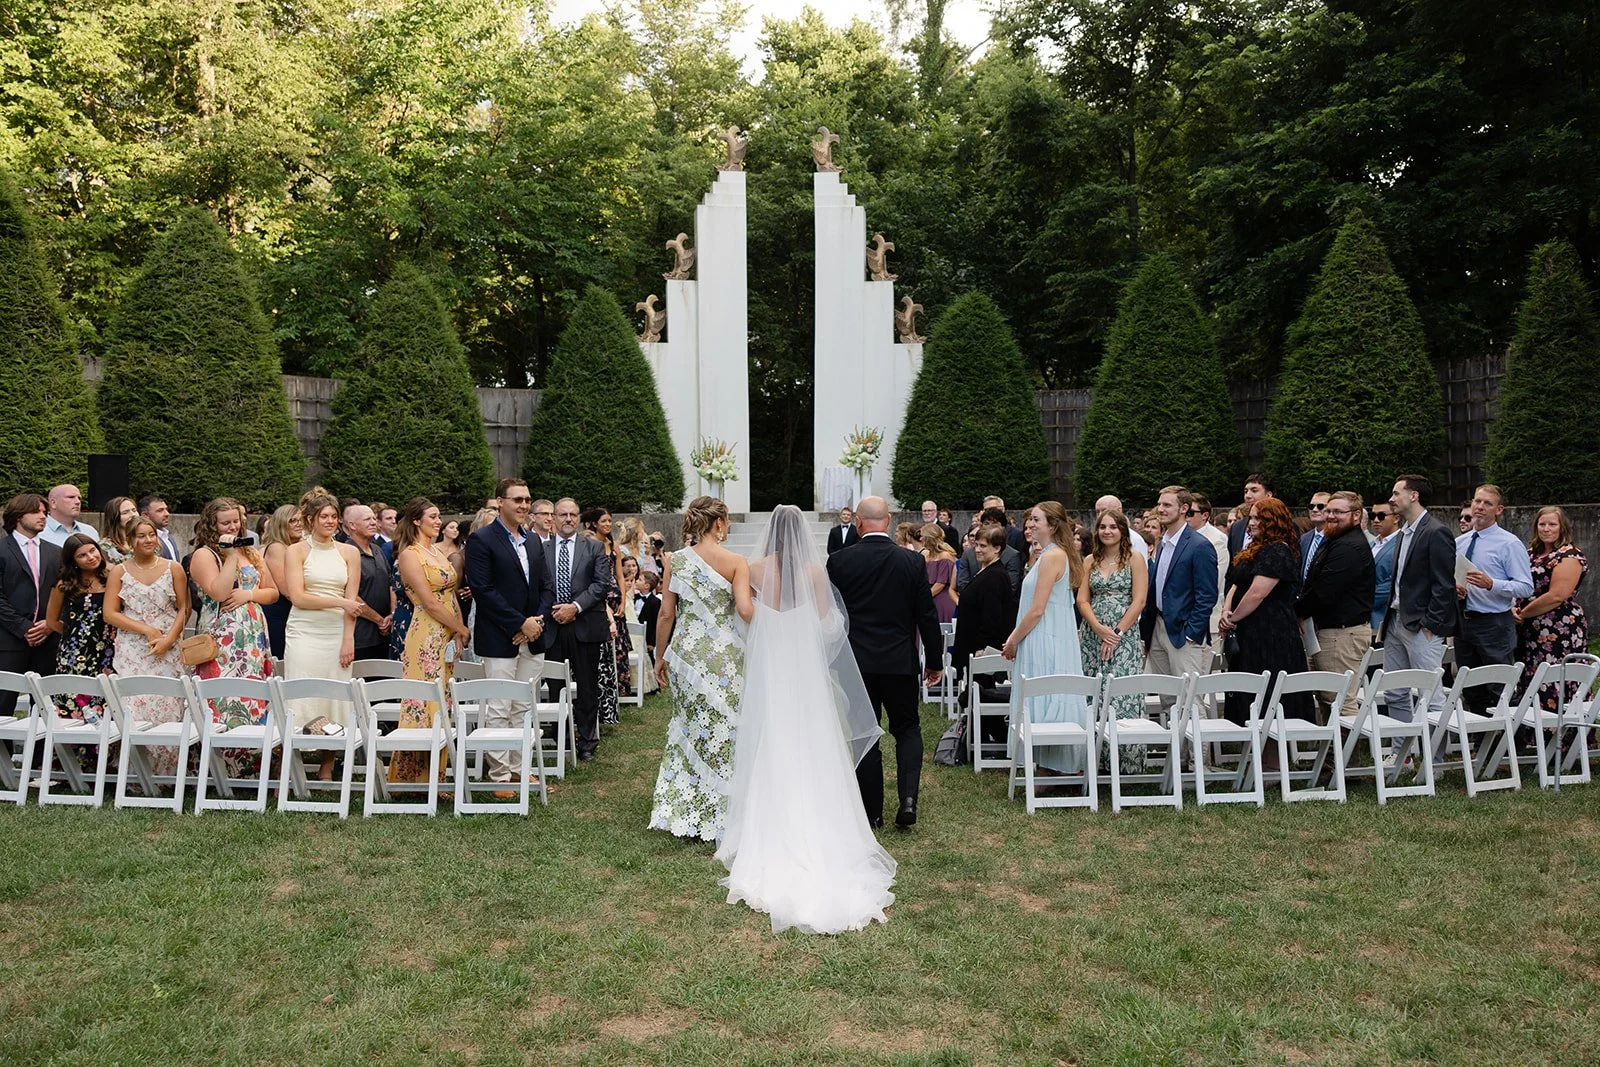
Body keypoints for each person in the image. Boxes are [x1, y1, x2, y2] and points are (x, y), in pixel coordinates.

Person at [717, 505, 895, 934]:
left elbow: (745, 619)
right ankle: (824, 822)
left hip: (773, 669)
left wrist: (774, 630)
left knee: (772, 736)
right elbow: (830, 625)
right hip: (804, 669)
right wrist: (803, 635)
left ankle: (769, 825)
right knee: (813, 738)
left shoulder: (754, 569)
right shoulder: (815, 574)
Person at [828, 496, 943, 828]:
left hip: (857, 663)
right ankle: (908, 799)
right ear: (888, 520)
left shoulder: (839, 561)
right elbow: (927, 615)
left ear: (860, 522)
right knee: (907, 729)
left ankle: (872, 812)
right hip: (899, 661)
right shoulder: (910, 562)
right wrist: (933, 661)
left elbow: (833, 617)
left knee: (866, 733)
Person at [649, 497, 753, 839]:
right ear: (719, 523)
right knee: (725, 728)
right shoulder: (736, 561)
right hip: (725, 657)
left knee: (689, 727)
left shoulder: (675, 561)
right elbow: (745, 610)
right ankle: (724, 808)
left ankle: (687, 807)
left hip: (687, 656)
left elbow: (666, 613)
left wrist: (660, 656)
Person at [465, 479, 555, 794]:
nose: (523, 505)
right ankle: (500, 776)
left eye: (527, 499)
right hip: (499, 636)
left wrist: (536, 622)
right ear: (500, 501)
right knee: (499, 706)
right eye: (517, 499)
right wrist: (518, 624)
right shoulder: (481, 540)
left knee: (523, 705)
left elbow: (546, 585)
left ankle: (520, 770)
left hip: (534, 635)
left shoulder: (533, 541)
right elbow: (483, 590)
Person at [187, 498, 278, 777]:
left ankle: (255, 768)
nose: (232, 526)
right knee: (223, 696)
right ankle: (221, 770)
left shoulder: (251, 552)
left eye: (236, 521)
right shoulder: (204, 554)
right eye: (225, 522)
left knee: (252, 694)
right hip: (222, 634)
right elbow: (217, 592)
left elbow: (272, 592)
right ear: (212, 524)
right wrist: (228, 556)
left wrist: (249, 594)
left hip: (252, 635)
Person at [1002, 502, 1090, 776]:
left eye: (1036, 520)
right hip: (1042, 635)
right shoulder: (1048, 554)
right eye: (1029, 520)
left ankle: (1057, 768)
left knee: (1047, 694)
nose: (1030, 524)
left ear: (1052, 525)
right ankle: (1046, 763)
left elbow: (1038, 608)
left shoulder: (1053, 556)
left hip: (1045, 637)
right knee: (1043, 697)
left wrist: (1013, 639)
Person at [282, 487, 362, 782]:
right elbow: (299, 597)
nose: (329, 521)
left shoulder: (349, 552)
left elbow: (353, 602)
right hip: (305, 630)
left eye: (333, 516)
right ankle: (293, 767)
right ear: (310, 520)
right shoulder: (297, 550)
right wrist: (341, 602)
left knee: (335, 697)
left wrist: (348, 639)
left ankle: (327, 766)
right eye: (323, 516)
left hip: (336, 632)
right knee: (301, 694)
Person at [390, 497, 468, 787]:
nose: (438, 521)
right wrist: (461, 627)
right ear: (416, 521)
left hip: (447, 630)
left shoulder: (435, 550)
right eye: (433, 517)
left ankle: (437, 775)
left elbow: (450, 595)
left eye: (438, 516)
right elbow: (430, 603)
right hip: (425, 634)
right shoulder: (410, 554)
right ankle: (413, 779)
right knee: (423, 704)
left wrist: (458, 631)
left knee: (443, 702)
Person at [104, 518, 190, 775]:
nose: (148, 540)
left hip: (169, 643)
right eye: (141, 536)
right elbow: (109, 613)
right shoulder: (119, 572)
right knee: (135, 701)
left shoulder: (173, 568)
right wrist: (147, 630)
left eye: (151, 535)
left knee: (168, 700)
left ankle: (168, 772)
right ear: (130, 541)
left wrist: (169, 639)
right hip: (133, 646)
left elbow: (184, 608)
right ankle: (134, 772)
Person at [1219, 498, 1312, 729]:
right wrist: (1226, 610)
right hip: (1247, 629)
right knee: (1247, 692)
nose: (1251, 523)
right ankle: (1256, 756)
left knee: (1269, 695)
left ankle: (1271, 761)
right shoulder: (1253, 548)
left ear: (1273, 521)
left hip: (1270, 632)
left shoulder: (1278, 550)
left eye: (1257, 518)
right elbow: (1236, 584)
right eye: (1250, 517)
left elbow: (1257, 593)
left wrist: (1232, 619)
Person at [1380, 474, 1458, 725]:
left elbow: (1444, 584)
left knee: (1431, 693)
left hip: (1421, 626)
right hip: (1395, 620)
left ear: (1414, 496)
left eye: (1396, 493)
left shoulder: (1436, 532)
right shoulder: (1403, 532)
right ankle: (1402, 754)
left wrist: (1430, 625)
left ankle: (1433, 759)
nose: (1391, 499)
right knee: (1395, 691)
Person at [1077, 509, 1149, 769]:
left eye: (1113, 527)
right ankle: (1093, 760)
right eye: (1102, 527)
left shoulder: (1135, 559)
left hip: (1124, 637)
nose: (1107, 531)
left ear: (1122, 531)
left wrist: (1116, 633)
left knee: (1120, 695)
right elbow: (1082, 599)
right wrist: (1098, 628)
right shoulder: (1089, 561)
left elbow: (1139, 600)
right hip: (1092, 636)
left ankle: (1124, 761)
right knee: (1093, 693)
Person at [1454, 484, 1534, 714]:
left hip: (1494, 623)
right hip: (1464, 622)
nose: (1479, 507)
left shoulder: (1508, 543)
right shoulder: (1461, 542)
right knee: (1470, 688)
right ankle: (1481, 745)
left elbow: (1526, 587)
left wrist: (1492, 584)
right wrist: (1455, 588)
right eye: (1477, 501)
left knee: (1501, 688)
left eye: (1487, 503)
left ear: (1499, 510)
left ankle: (1511, 744)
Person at [1294, 492, 1374, 719]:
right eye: (1329, 511)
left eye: (1338, 512)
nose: (1330, 516)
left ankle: (1348, 755)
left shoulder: (1349, 547)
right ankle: (1335, 754)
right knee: (1327, 699)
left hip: (1342, 634)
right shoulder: (1336, 540)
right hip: (1326, 631)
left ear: (1356, 515)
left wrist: (1295, 611)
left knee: (1340, 700)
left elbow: (1322, 592)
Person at [545, 498, 613, 762]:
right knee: (555, 686)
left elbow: (601, 584)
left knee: (586, 686)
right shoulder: (543, 548)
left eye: (573, 514)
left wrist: (574, 607)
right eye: (563, 514)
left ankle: (587, 742)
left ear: (579, 519)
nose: (568, 519)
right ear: (553, 518)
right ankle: (561, 738)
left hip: (584, 625)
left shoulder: (594, 547)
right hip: (553, 625)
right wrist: (554, 611)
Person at [1140, 486, 1219, 686]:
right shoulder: (1164, 543)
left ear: (1184, 508)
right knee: (1167, 699)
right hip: (1157, 628)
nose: (1160, 509)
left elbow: (1207, 595)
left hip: (1183, 633)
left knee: (1188, 700)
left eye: (1167, 505)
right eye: (1159, 504)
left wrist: (1191, 632)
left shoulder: (1199, 545)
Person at [1514, 506, 1589, 713]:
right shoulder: (1529, 553)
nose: (1546, 529)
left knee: (1556, 677)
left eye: (1552, 524)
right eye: (1542, 524)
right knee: (1531, 676)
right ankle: (1533, 735)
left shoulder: (1569, 555)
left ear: (1562, 527)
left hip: (1559, 629)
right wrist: (1513, 607)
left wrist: (1523, 613)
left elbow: (1557, 595)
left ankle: (1563, 737)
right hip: (1528, 628)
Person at [1, 494, 61, 715]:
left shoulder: (55, 552)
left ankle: (40, 751)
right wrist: (24, 627)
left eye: (45, 513)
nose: (43, 516)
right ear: (18, 515)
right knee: (3, 705)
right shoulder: (2, 550)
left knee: (46, 707)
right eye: (36, 512)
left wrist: (50, 624)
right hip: (9, 640)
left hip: (48, 640)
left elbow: (65, 593)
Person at [44, 534, 115, 720]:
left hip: (108, 651)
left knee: (107, 702)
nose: (91, 557)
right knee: (74, 702)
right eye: (82, 555)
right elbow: (51, 621)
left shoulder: (113, 577)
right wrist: (74, 636)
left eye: (93, 551)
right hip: (74, 656)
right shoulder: (64, 585)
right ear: (73, 561)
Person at [952, 526, 1015, 681]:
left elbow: (992, 616)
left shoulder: (995, 576)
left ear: (997, 548)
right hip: (971, 646)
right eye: (977, 545)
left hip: (982, 652)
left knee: (981, 696)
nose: (978, 550)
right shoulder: (986, 572)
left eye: (983, 546)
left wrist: (981, 647)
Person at [581, 506, 626, 722]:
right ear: (594, 524)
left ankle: (618, 690)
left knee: (617, 647)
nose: (608, 525)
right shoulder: (588, 545)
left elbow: (619, 575)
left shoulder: (613, 546)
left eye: (610, 521)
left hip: (614, 597)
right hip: (596, 599)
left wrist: (624, 600)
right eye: (604, 521)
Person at [342, 503, 395, 663]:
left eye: (374, 518)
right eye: (367, 519)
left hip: (385, 633)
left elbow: (390, 584)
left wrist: (391, 616)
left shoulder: (377, 549)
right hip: (361, 636)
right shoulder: (345, 552)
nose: (373, 522)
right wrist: (379, 620)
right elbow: (350, 594)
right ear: (352, 525)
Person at [260, 504, 303, 660]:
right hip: (279, 614)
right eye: (292, 520)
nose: (299, 524)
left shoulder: (296, 547)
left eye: (300, 519)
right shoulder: (277, 548)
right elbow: (287, 589)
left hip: (293, 612)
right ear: (281, 524)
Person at [955, 507, 1024, 596]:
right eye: (986, 523)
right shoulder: (968, 554)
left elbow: (1010, 587)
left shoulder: (1012, 555)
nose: (990, 527)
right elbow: (962, 584)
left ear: (1003, 527)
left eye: (995, 523)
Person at [1370, 502, 1400, 640]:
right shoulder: (1371, 544)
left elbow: (1393, 583)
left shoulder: (1402, 543)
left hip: (1384, 619)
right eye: (1373, 515)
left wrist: (1359, 600)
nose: (1376, 520)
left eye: (1381, 516)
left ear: (1396, 518)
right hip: (1366, 620)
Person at [1227, 474, 1275, 557]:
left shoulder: (1283, 526)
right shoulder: (1236, 527)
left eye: (1254, 491)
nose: (1247, 496)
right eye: (1245, 491)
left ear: (1268, 495)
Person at [920, 524, 958, 624]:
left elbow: (941, 583)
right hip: (929, 597)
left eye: (923, 536)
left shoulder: (945, 556)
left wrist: (924, 597)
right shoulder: (926, 555)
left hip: (941, 600)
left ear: (929, 539)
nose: (920, 539)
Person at [137, 495, 181, 562]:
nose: (167, 514)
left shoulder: (169, 537)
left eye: (166, 509)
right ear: (145, 515)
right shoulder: (144, 542)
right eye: (160, 511)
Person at [1299, 491, 1332, 581]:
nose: (1314, 509)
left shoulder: (1336, 538)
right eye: (1311, 506)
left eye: (1320, 506)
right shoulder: (1304, 539)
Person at [98, 495, 139, 565]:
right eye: (125, 512)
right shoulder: (105, 546)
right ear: (114, 518)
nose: (133, 514)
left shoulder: (147, 539)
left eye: (134, 510)